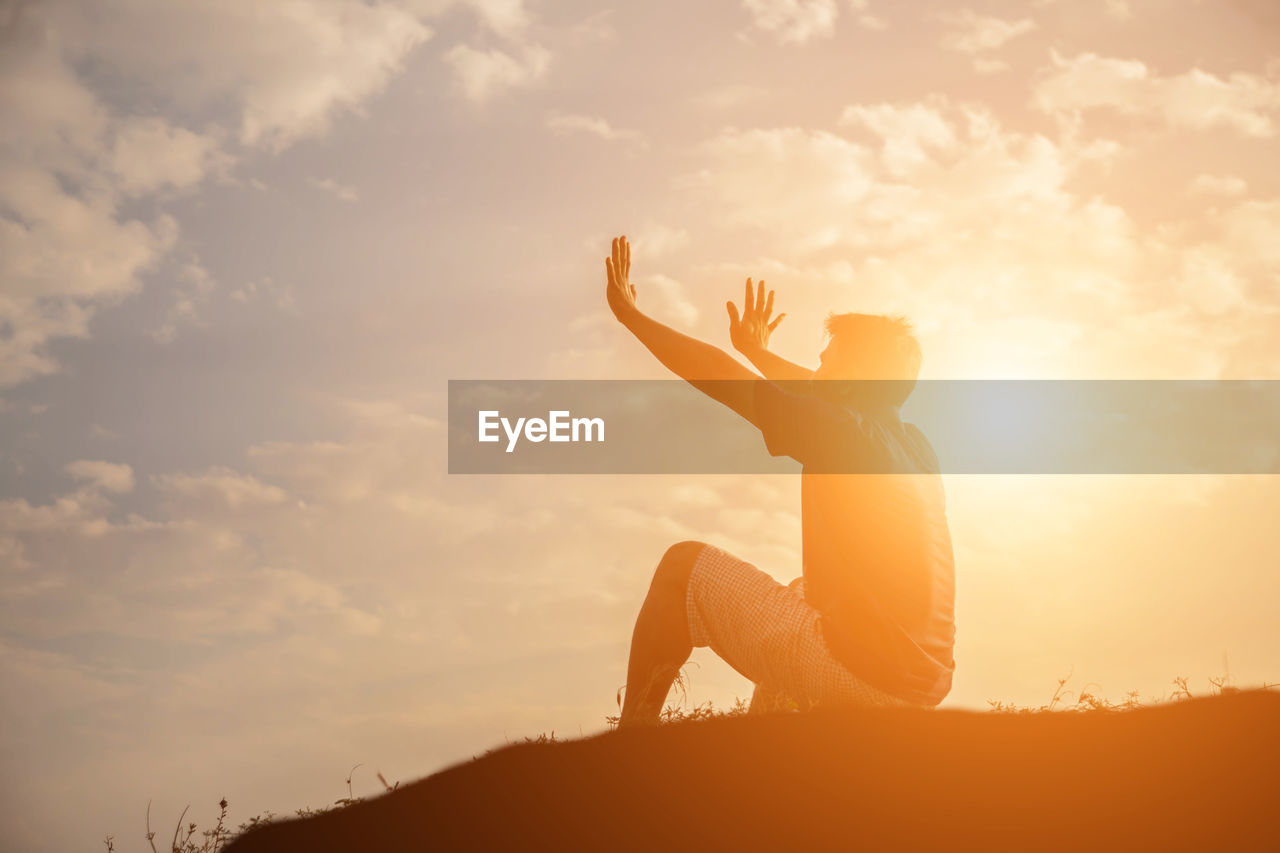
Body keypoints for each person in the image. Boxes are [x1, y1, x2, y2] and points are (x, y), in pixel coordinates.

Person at [604, 235, 955, 725]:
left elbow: (720, 376)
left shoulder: (842, 434)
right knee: (802, 590)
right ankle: (772, 751)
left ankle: (629, 746)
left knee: (681, 567)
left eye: (825, 359)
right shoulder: (914, 446)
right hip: (919, 685)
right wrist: (759, 352)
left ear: (851, 377)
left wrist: (633, 319)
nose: (816, 368)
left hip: (863, 678)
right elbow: (816, 393)